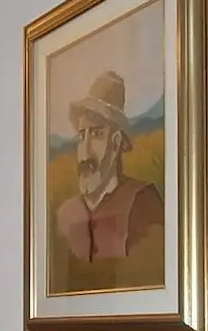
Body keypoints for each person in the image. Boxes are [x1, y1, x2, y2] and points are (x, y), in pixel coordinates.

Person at [55, 70, 164, 266]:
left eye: (96, 134)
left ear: (116, 143)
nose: (85, 152)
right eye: (81, 136)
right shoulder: (66, 214)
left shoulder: (143, 202)